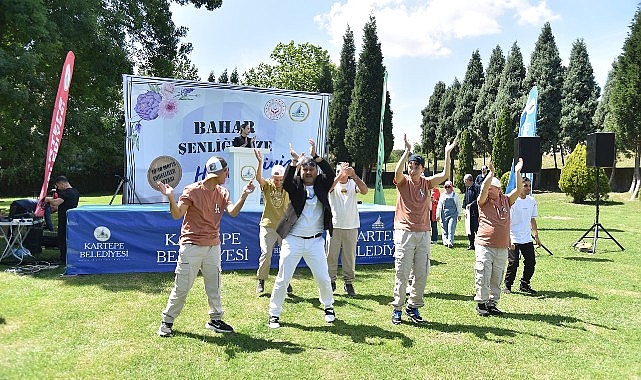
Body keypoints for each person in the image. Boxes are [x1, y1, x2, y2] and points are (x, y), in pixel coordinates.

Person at [155, 156, 255, 337]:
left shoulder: (222, 192)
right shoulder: (192, 191)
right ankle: (167, 322)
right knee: (182, 287)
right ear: (221, 172)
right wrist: (171, 197)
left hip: (213, 246)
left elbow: (232, 212)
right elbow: (177, 215)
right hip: (191, 246)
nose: (228, 175)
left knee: (214, 286)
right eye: (227, 172)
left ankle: (215, 319)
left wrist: (244, 195)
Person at [268, 139, 335, 329]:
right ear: (301, 171)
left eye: (311, 169)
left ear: (315, 171)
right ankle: (274, 314)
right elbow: (287, 182)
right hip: (293, 240)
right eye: (305, 169)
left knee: (323, 277)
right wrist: (294, 162)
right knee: (283, 278)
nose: (308, 172)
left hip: (315, 241)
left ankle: (328, 306)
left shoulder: (322, 183)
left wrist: (316, 156)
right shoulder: (296, 185)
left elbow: (330, 173)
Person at [390, 134, 456, 325]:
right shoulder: (403, 182)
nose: (412, 169)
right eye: (410, 166)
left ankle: (413, 307)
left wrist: (447, 152)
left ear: (422, 169)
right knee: (402, 273)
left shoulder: (426, 183)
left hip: (423, 233)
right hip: (404, 232)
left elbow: (444, 175)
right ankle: (397, 309)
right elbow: (396, 172)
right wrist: (407, 152)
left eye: (416, 166)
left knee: (421, 273)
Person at [474, 159, 523, 317]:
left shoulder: (506, 200)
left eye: (491, 188)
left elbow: (519, 189)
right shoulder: (483, 201)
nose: (487, 190)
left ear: (499, 189)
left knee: (497, 276)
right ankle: (481, 302)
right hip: (485, 244)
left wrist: (517, 172)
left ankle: (492, 303)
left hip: (502, 246)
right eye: (487, 187)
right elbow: (483, 190)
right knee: (483, 273)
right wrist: (491, 173)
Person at [326, 162, 368, 296]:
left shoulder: (352, 183)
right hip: (335, 226)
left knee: (349, 257)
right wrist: (339, 175)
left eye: (344, 170)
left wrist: (354, 175)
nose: (343, 173)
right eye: (339, 170)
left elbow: (365, 191)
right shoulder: (333, 183)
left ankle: (348, 283)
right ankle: (331, 282)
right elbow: (328, 189)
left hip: (351, 226)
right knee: (331, 256)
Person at [254, 149, 290, 294]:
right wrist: (260, 162)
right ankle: (261, 281)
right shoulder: (267, 185)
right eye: (276, 179)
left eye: (281, 179)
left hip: (284, 226)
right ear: (272, 177)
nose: (278, 181)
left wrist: (297, 163)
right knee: (266, 253)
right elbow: (258, 178)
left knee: (286, 256)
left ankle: (286, 282)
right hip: (267, 225)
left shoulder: (288, 186)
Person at [504, 176, 542, 295]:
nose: (528, 188)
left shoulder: (531, 201)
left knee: (531, 262)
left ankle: (525, 284)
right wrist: (508, 239)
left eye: (529, 186)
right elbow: (507, 221)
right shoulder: (512, 201)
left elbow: (532, 219)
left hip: (526, 238)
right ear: (519, 186)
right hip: (513, 237)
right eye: (525, 186)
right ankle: (507, 285)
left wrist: (536, 235)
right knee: (514, 262)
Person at [45, 176, 79, 265]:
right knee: (69, 239)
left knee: (62, 239)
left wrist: (48, 199)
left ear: (62, 184)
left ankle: (63, 259)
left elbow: (56, 202)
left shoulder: (66, 193)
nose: (59, 188)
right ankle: (69, 257)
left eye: (58, 186)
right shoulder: (75, 191)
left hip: (64, 219)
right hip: (72, 219)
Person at [436, 180, 461, 248]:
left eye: (448, 187)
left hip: (453, 214)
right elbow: (439, 206)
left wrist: (459, 214)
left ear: (451, 187)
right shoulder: (442, 195)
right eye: (446, 187)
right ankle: (445, 241)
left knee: (451, 227)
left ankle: (450, 241)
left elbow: (458, 205)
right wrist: (437, 215)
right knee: (444, 228)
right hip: (444, 214)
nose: (447, 188)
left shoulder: (455, 195)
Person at [463, 173, 480, 250]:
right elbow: (465, 198)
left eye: (465, 180)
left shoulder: (477, 187)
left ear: (468, 180)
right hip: (468, 212)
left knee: (476, 228)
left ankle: (479, 243)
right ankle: (471, 244)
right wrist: (464, 207)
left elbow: (479, 199)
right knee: (469, 228)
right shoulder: (467, 188)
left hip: (475, 212)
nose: (464, 182)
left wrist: (471, 204)